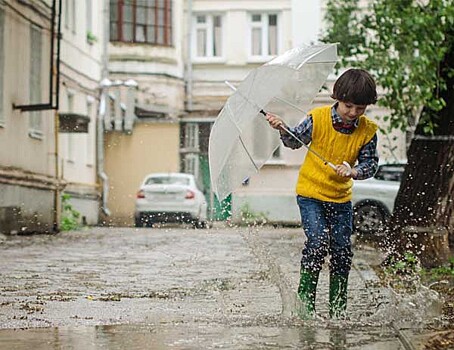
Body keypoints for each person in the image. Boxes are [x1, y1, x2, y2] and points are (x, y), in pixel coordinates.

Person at [266, 68, 379, 319]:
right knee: (317, 244)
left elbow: (371, 165)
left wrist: (355, 171)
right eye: (348, 106)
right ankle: (306, 309)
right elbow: (294, 141)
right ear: (337, 98)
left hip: (341, 199)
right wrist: (282, 128)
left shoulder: (368, 131)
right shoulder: (317, 118)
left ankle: (338, 311)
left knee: (341, 251)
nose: (353, 113)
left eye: (360, 108)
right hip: (311, 194)